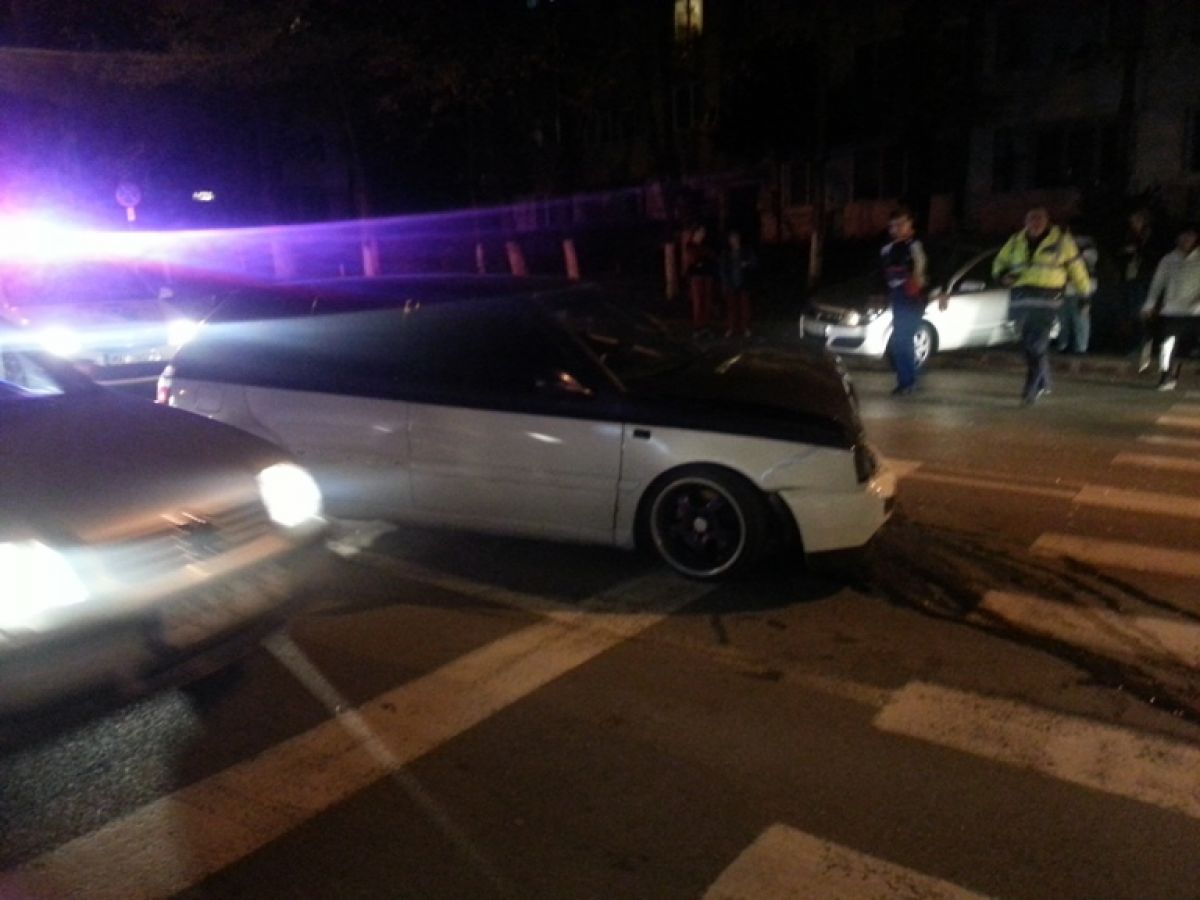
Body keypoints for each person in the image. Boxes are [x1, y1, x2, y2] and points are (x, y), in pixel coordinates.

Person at [992, 206, 1092, 405]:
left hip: (1047, 299)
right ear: (1026, 222)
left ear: (1047, 222)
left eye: (1039, 220)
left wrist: (1085, 294)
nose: (1035, 224)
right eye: (1032, 220)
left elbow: (1077, 269)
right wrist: (1002, 276)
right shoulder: (1016, 241)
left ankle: (1031, 388)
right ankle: (1043, 380)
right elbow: (1000, 262)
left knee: (1037, 344)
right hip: (1022, 298)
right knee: (1027, 346)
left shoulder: (1062, 241)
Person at [1141, 224, 1200, 391]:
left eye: (1190, 236)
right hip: (1172, 310)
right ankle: (1166, 376)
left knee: (1187, 346)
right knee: (1167, 345)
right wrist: (1149, 304)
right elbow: (1157, 283)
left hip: (1196, 311)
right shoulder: (1168, 260)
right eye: (1183, 236)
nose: (1187, 240)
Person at [880, 207, 928, 395]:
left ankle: (908, 382)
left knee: (902, 340)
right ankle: (907, 381)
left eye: (902, 224)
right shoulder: (887, 249)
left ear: (910, 226)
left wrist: (917, 283)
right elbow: (883, 276)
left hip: (911, 298)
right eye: (894, 225)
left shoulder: (915, 245)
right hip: (898, 297)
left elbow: (921, 268)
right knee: (900, 341)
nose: (898, 228)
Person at [1118, 209, 1161, 367]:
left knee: (1142, 313)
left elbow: (1153, 256)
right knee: (1132, 313)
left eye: (1136, 220)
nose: (1133, 224)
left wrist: (1138, 250)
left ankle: (1144, 347)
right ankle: (1135, 346)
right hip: (1131, 277)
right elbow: (1122, 253)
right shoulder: (1130, 236)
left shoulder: (1151, 237)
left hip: (1145, 278)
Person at [1054, 232, 1098, 354]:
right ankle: (1068, 346)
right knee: (1066, 319)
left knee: (1078, 319)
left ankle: (1078, 348)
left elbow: (1087, 264)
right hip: (1066, 289)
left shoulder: (1087, 248)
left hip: (1079, 289)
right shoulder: (1064, 246)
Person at [719, 229, 757, 338]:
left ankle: (745, 328)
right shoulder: (726, 253)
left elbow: (754, 263)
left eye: (735, 238)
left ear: (739, 239)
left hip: (744, 282)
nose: (733, 240)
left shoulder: (746, 251)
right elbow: (722, 269)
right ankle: (732, 328)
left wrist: (747, 263)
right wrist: (725, 282)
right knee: (732, 307)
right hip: (731, 283)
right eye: (731, 238)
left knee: (745, 307)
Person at [683, 225, 718, 335]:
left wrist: (703, 259)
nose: (702, 235)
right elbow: (694, 260)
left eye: (703, 233)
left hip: (707, 275)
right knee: (698, 302)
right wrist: (702, 259)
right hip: (696, 277)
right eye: (699, 232)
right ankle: (698, 326)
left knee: (707, 301)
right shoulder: (690, 245)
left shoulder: (705, 245)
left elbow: (712, 257)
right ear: (695, 233)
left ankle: (706, 326)